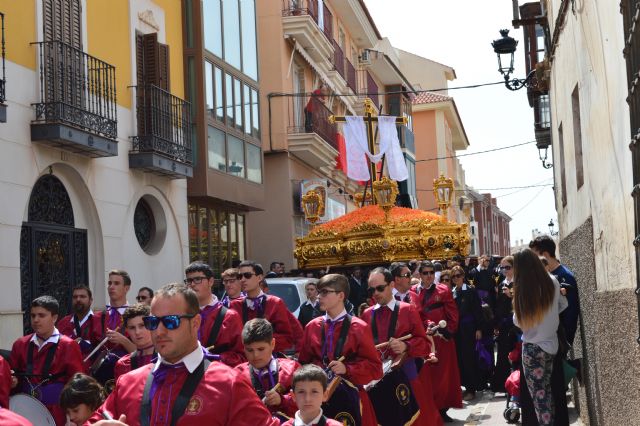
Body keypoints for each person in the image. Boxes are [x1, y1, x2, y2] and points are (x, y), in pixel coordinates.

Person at [87, 282, 279, 425]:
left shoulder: (229, 383)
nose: (160, 331)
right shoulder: (128, 382)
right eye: (153, 322)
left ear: (195, 323)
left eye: (171, 322)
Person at [298, 274, 382, 426]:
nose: (318, 297)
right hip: (318, 400)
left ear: (341, 296)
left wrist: (347, 368)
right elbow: (302, 364)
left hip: (351, 398)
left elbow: (376, 369)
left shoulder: (359, 327)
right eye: (318, 292)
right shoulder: (312, 326)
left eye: (324, 292)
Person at [361, 267, 441, 426]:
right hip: (376, 382)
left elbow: (425, 344)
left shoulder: (407, 310)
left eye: (380, 288)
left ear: (391, 285)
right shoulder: (366, 314)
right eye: (372, 289)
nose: (375, 293)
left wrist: (406, 345)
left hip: (406, 377)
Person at [513, 249, 569, 426]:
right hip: (551, 345)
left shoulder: (523, 287)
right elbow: (563, 305)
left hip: (532, 348)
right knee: (547, 393)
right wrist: (549, 316)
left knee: (539, 397)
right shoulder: (552, 281)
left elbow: (518, 321)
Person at [9, 295, 85, 425]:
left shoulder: (68, 345)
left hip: (57, 411)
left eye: (41, 315)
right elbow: (13, 376)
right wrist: (12, 381)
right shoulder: (20, 344)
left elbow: (78, 382)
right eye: (33, 316)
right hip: (24, 409)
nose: (36, 320)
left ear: (54, 318)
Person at [411, 261, 462, 423]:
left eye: (431, 273)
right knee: (426, 377)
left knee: (444, 377)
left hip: (441, 339)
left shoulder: (443, 290)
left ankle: (442, 409)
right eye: (425, 273)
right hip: (422, 340)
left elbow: (452, 313)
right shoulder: (412, 292)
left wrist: (449, 331)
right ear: (419, 274)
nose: (428, 276)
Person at [235, 319, 300, 420]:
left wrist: (282, 400)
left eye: (261, 349)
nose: (255, 355)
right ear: (243, 347)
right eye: (250, 350)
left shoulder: (292, 369)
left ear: (273, 344)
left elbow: (309, 402)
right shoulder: (237, 375)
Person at [184, 262, 245, 367]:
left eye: (198, 279)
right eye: (189, 281)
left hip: (218, 376)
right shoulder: (182, 314)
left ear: (211, 281)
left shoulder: (230, 316)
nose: (192, 284)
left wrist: (216, 358)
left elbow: (242, 356)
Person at [230, 261, 294, 353]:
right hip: (242, 358)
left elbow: (287, 338)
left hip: (269, 358)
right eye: (240, 277)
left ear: (259, 277)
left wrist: (261, 344)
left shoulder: (275, 303)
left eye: (247, 275)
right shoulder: (235, 305)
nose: (242, 280)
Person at [529, 235, 580, 346]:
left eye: (534, 256)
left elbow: (570, 313)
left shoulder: (565, 276)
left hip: (557, 340)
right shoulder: (542, 276)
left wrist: (565, 341)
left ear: (545, 255)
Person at [451, 265, 483, 402]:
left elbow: (478, 311)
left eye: (458, 275)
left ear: (463, 276)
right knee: (460, 360)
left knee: (469, 358)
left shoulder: (470, 290)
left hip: (469, 329)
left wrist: (479, 328)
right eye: (453, 276)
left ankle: (472, 389)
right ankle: (465, 386)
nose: (456, 278)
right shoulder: (452, 292)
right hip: (457, 331)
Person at [56, 285, 103, 366]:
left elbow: (103, 350)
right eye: (75, 297)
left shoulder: (100, 321)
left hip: (92, 373)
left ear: (90, 300)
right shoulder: (63, 323)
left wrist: (83, 344)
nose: (78, 299)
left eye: (82, 296)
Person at [491, 256, 516, 393]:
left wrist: (511, 294)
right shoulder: (501, 283)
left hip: (516, 325)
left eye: (508, 267)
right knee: (502, 354)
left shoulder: (519, 282)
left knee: (515, 353)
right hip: (503, 324)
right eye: (503, 267)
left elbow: (523, 299)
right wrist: (496, 324)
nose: (505, 270)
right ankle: (503, 384)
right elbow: (498, 306)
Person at [113, 304, 156, 380]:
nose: (137, 332)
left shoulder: (167, 359)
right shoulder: (123, 364)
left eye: (142, 325)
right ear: (127, 330)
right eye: (132, 328)